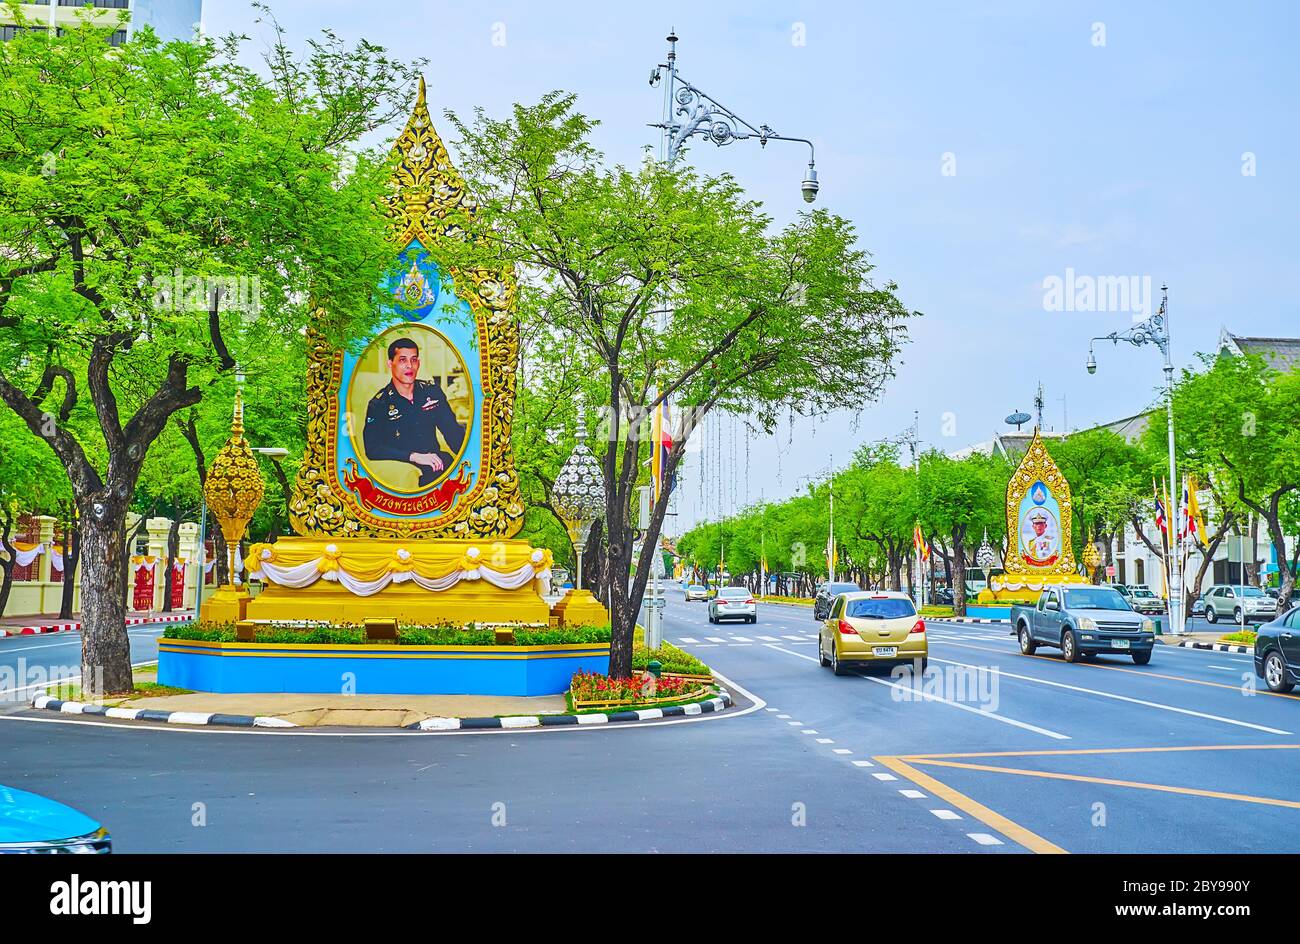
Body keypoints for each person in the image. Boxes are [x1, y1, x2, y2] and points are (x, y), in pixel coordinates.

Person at [362, 337, 466, 487]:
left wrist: (469, 458)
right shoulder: (379, 403)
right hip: (404, 464)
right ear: (390, 364)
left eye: (414, 360)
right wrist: (413, 456)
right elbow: (372, 449)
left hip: (437, 461)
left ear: (419, 363)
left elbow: (452, 432)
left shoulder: (431, 392)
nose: (409, 366)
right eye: (403, 360)